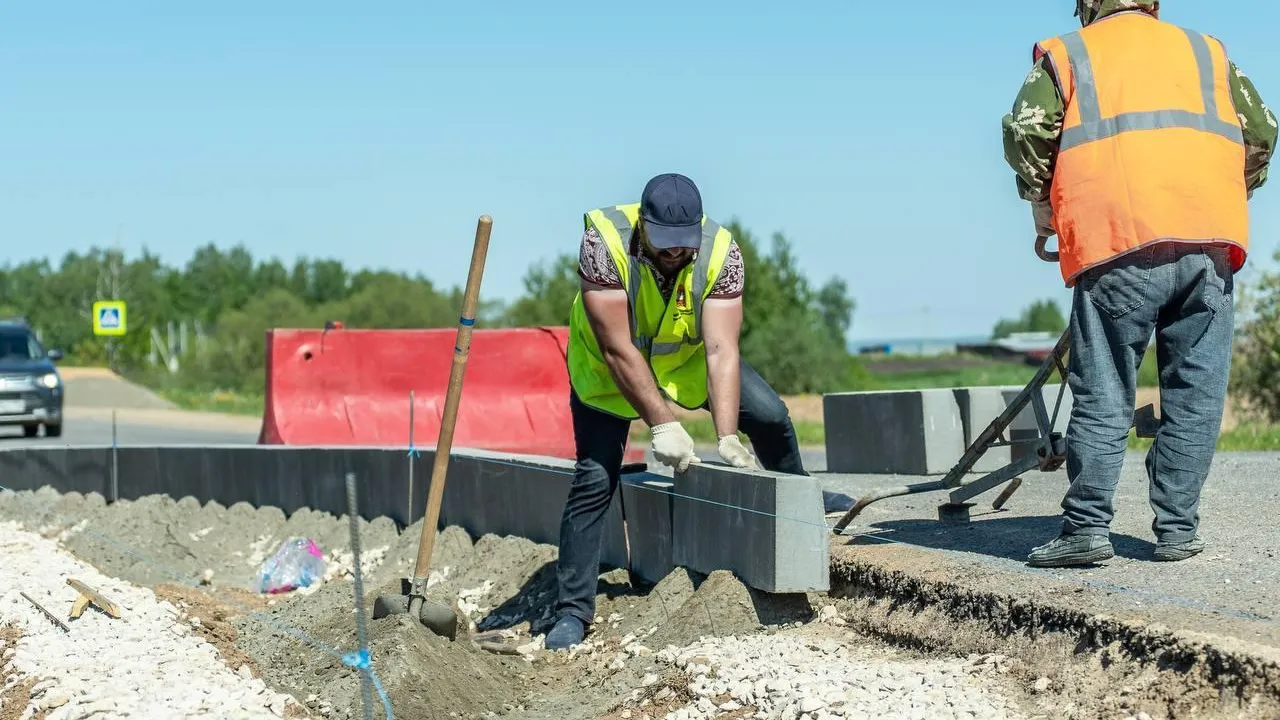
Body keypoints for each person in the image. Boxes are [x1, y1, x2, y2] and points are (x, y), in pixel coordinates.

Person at [1001, 0, 1277, 567]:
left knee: (1104, 388)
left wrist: (1041, 204)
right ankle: (1177, 529)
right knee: (1196, 394)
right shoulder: (1207, 51)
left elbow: (1026, 132)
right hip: (1210, 245)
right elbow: (1263, 131)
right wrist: (1236, 189)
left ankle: (1086, 529)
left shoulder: (1069, 53)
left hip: (1119, 241)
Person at [544, 172, 809, 649]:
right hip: (609, 372)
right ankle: (572, 612)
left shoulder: (720, 251)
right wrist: (663, 424)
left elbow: (721, 350)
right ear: (642, 225)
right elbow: (617, 347)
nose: (673, 254)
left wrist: (726, 435)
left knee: (768, 415)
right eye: (662, 243)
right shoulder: (602, 242)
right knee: (595, 476)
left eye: (680, 244)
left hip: (683, 362)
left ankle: (801, 507)